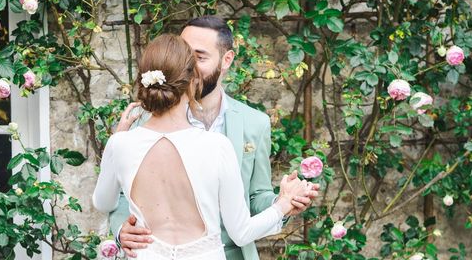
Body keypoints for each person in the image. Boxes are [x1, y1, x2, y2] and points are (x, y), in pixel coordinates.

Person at [110, 17, 319, 260]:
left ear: (226, 60)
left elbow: (255, 196)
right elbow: (120, 193)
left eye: (198, 58)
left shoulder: (255, 123)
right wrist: (121, 229)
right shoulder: (143, 120)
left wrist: (283, 202)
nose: (187, 68)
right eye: (184, 55)